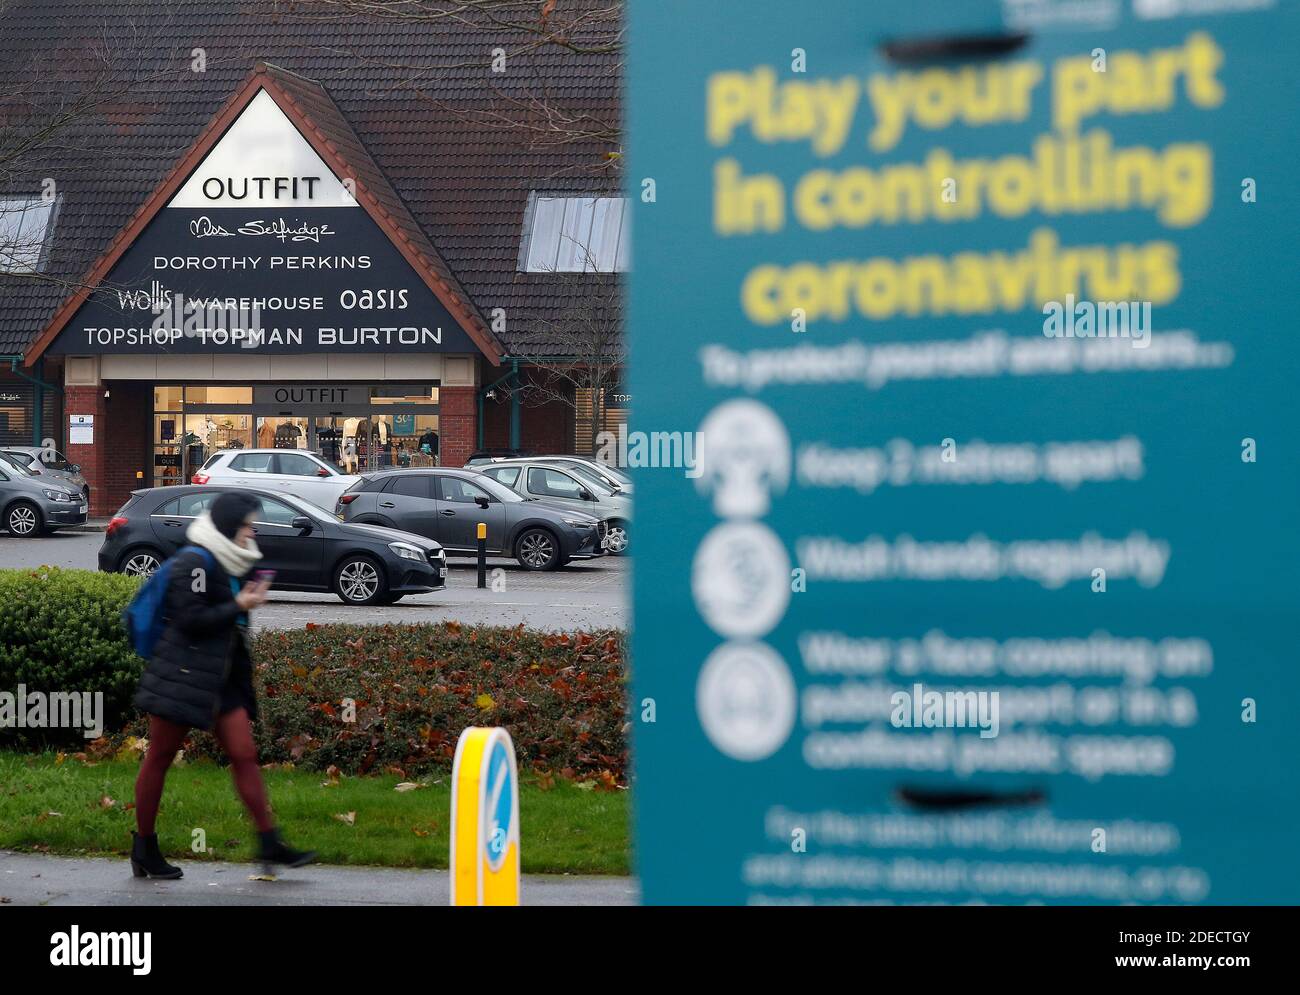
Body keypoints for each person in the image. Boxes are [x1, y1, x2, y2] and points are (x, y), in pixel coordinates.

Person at [130, 491, 316, 879]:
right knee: (160, 758)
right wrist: (240, 606)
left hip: (219, 676)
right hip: (182, 675)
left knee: (244, 754)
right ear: (232, 526)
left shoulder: (231, 561)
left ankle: (270, 843)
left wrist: (244, 602)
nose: (253, 531)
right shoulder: (195, 561)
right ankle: (144, 848)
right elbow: (190, 619)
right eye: (248, 524)